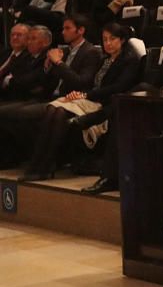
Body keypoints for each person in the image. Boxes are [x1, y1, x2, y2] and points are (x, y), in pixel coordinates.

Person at [20, 22, 141, 182]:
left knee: (58, 112)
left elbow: (118, 87)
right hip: (89, 98)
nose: (108, 43)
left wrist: (85, 95)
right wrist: (80, 94)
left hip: (103, 103)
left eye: (112, 39)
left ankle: (44, 165)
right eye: (105, 40)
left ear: (122, 40)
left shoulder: (129, 61)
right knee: (53, 110)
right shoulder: (104, 59)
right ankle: (40, 165)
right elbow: (88, 82)